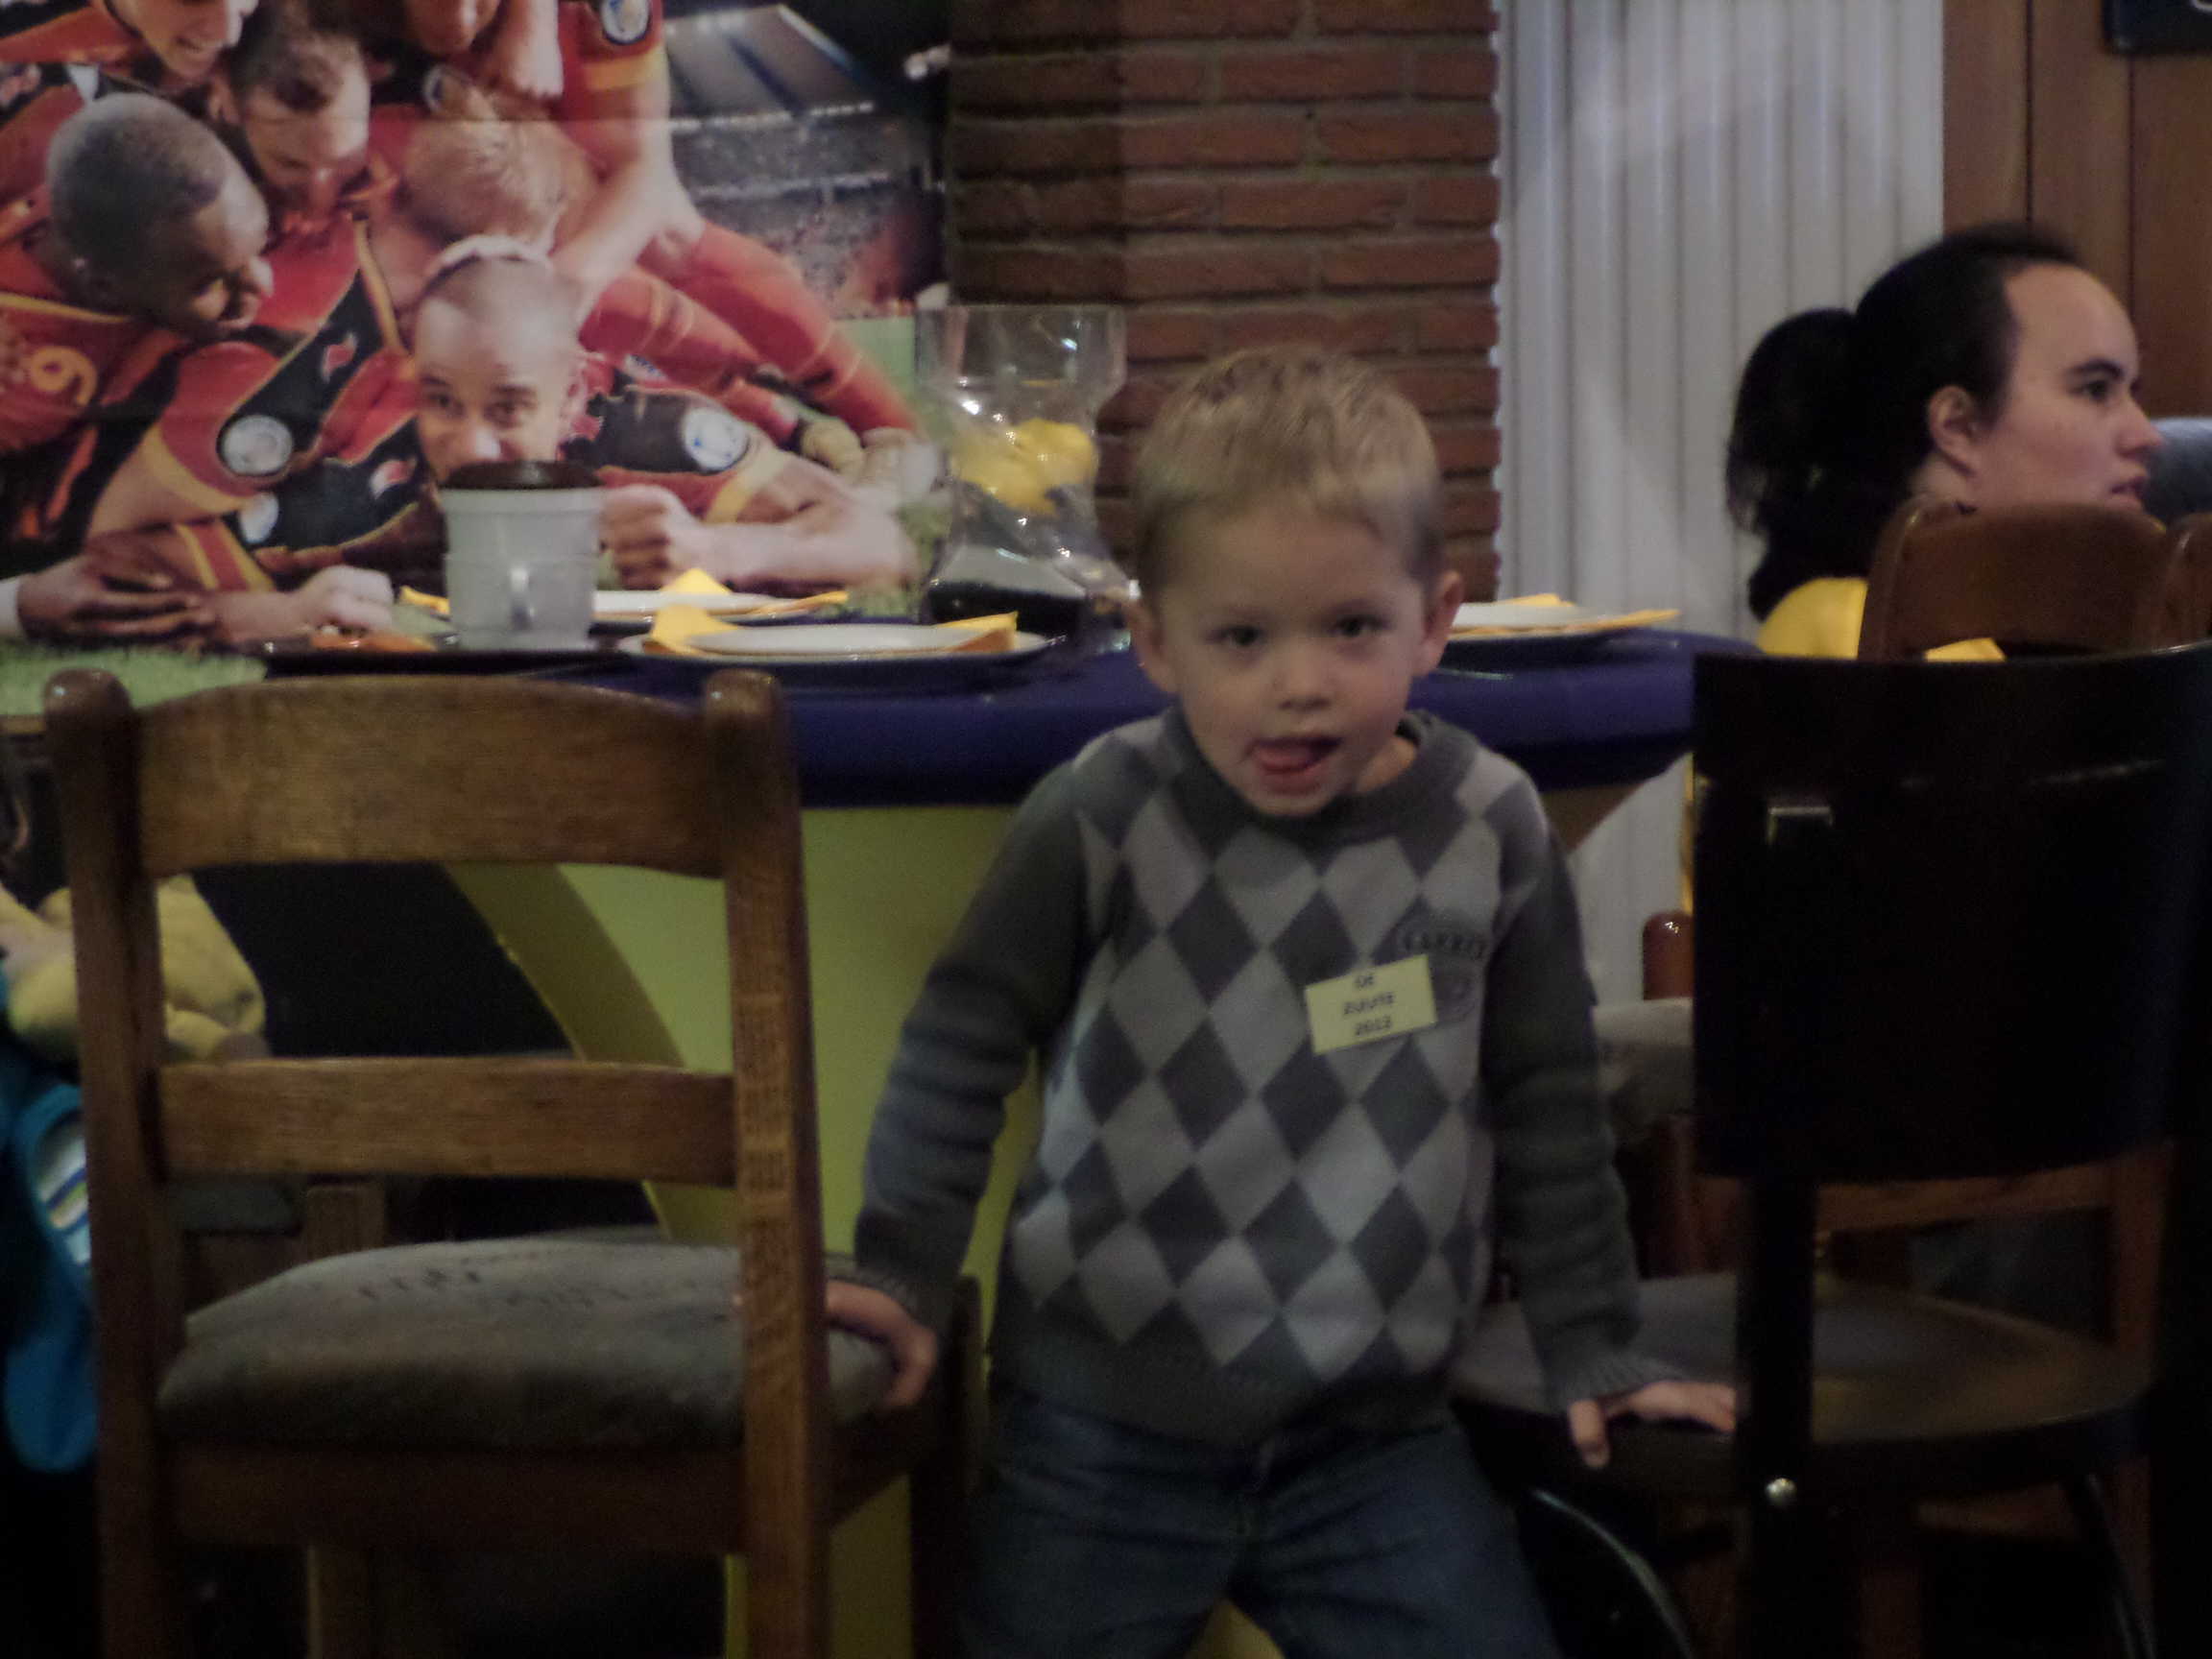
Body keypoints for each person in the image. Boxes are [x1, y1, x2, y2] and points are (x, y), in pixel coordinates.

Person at [828, 345, 1735, 1656]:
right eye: (1242, 637)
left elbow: (1551, 1101)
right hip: (1097, 1434)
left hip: (1376, 1447)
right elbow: (961, 1043)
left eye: (1352, 627)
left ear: (1435, 620)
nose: (1298, 682)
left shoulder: (1491, 829)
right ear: (1154, 641)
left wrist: (1596, 1347)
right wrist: (902, 1266)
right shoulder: (1100, 812)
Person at [84, 248, 913, 596]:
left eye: (510, 407)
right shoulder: (370, 485)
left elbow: (884, 544)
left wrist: (717, 551)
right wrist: (265, 612)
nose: (470, 446)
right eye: (442, 401)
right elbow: (119, 565)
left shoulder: (647, 436)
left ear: (571, 395)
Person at [1729, 220, 2162, 659]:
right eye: (2095, 389)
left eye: (2133, 392)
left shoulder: (2070, 620)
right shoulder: (1856, 627)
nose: (2146, 436)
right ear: (1958, 426)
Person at [0, 92, 274, 457]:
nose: (262, 284)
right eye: (210, 283)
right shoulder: (29, 394)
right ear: (105, 289)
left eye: (260, 244)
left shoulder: (79, 138)